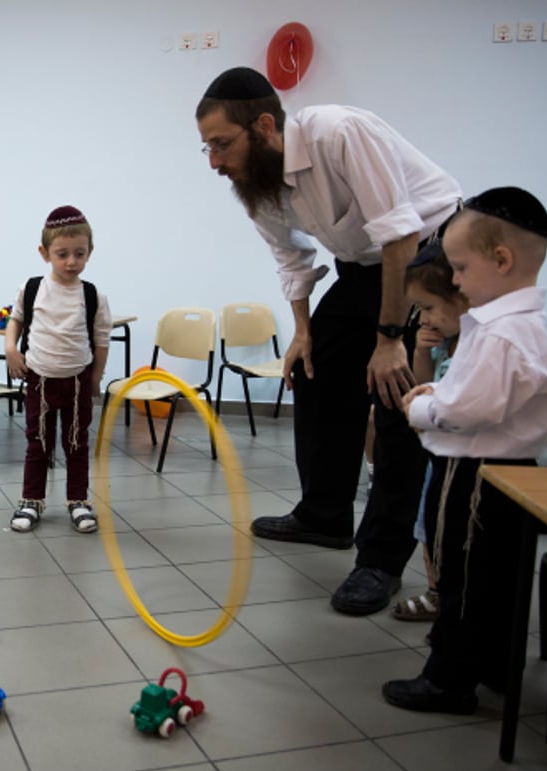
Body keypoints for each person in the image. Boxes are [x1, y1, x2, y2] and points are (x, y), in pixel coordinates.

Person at [195, 66, 461, 615]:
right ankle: (324, 515)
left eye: (221, 145)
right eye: (207, 149)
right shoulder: (258, 182)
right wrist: (302, 330)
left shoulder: (338, 134)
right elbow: (290, 256)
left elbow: (399, 235)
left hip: (428, 258)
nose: (215, 162)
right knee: (312, 371)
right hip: (363, 265)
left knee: (396, 401)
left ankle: (381, 560)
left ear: (264, 125)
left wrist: (390, 339)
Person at [382, 186, 547, 713]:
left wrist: (422, 407)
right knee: (500, 574)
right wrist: (442, 391)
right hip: (512, 471)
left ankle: (448, 679)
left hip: (473, 472)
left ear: (502, 260)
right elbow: (487, 395)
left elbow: (469, 409)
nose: (456, 280)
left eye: (460, 268)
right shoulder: (522, 326)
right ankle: (494, 664)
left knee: (460, 574)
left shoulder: (500, 332)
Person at [4, 205, 111, 534]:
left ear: (89, 253)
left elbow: (101, 340)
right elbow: (16, 320)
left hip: (77, 382)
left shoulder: (92, 296)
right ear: (44, 253)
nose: (71, 262)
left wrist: (95, 379)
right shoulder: (33, 288)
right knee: (38, 443)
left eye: (79, 254)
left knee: (77, 443)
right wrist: (10, 349)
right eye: (62, 254)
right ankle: (31, 500)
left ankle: (78, 500)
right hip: (40, 379)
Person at [391, 240, 469, 622]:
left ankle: (451, 595)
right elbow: (419, 385)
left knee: (450, 530)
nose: (425, 318)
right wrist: (421, 351)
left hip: (461, 457)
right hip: (435, 453)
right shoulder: (442, 345)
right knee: (427, 525)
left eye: (429, 307)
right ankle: (436, 590)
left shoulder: (477, 347)